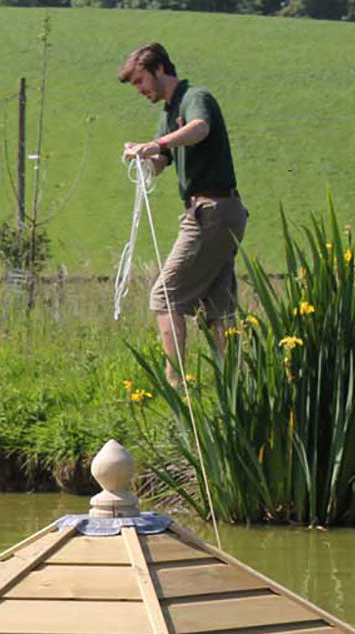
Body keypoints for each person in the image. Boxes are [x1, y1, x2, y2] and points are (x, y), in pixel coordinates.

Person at [119, 42, 247, 388]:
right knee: (218, 303)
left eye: (141, 82)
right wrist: (145, 157)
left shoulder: (195, 98)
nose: (141, 91)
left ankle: (175, 386)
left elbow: (200, 130)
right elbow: (164, 160)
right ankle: (234, 388)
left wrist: (157, 145)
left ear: (159, 69)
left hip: (212, 210)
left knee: (165, 294)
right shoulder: (167, 112)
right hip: (223, 211)